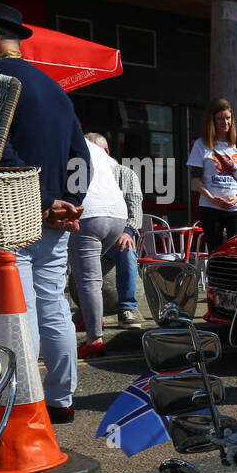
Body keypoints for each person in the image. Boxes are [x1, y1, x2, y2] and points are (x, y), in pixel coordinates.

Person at [0, 0, 88, 425]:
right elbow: (80, 155)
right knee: (53, 306)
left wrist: (48, 201)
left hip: (0, 215)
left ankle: (24, 406)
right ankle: (61, 400)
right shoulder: (53, 87)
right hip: (53, 217)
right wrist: (65, 202)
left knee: (14, 311)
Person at [68, 135, 128, 358]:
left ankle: (94, 338)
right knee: (88, 273)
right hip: (117, 214)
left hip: (88, 213)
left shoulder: (64, 140)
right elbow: (115, 171)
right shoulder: (98, 150)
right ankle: (91, 315)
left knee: (88, 279)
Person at [91, 134, 144, 329]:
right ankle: (88, 314)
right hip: (87, 235)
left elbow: (135, 206)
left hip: (116, 236)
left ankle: (126, 309)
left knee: (127, 249)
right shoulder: (80, 174)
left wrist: (128, 231)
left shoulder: (125, 174)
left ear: (105, 152)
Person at [188, 98, 237, 252]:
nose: (225, 122)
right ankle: (214, 277)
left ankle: (234, 277)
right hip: (211, 206)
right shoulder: (201, 144)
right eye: (220, 119)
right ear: (212, 120)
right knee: (215, 250)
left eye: (228, 118)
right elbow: (196, 178)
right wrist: (211, 198)